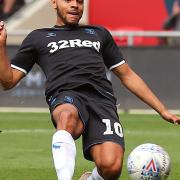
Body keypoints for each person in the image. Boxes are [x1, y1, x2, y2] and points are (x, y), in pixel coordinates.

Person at [0, 0, 179, 179]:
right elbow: (8, 81)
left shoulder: (98, 33)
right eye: (68, 0)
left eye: (79, 1)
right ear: (54, 3)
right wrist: (1, 45)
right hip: (66, 95)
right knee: (67, 116)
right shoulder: (38, 37)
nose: (74, 5)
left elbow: (127, 75)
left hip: (102, 101)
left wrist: (162, 110)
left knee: (111, 167)